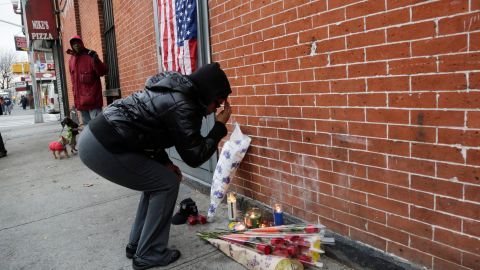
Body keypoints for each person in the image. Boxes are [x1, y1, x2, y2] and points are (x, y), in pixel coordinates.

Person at [77, 62, 232, 270]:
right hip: (104, 144)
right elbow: (195, 157)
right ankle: (148, 253)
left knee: (160, 179)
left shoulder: (174, 91)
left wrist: (165, 163)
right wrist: (219, 127)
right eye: (218, 102)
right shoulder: (184, 104)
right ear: (208, 93)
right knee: (166, 183)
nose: (216, 109)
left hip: (100, 137)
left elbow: (148, 131)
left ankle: (137, 245)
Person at [67, 35, 107, 126]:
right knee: (87, 129)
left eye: (77, 43)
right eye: (73, 43)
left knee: (98, 127)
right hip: (81, 103)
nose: (76, 45)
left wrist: (96, 60)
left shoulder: (90, 56)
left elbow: (102, 71)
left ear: (81, 43)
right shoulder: (71, 60)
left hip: (93, 102)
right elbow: (74, 82)